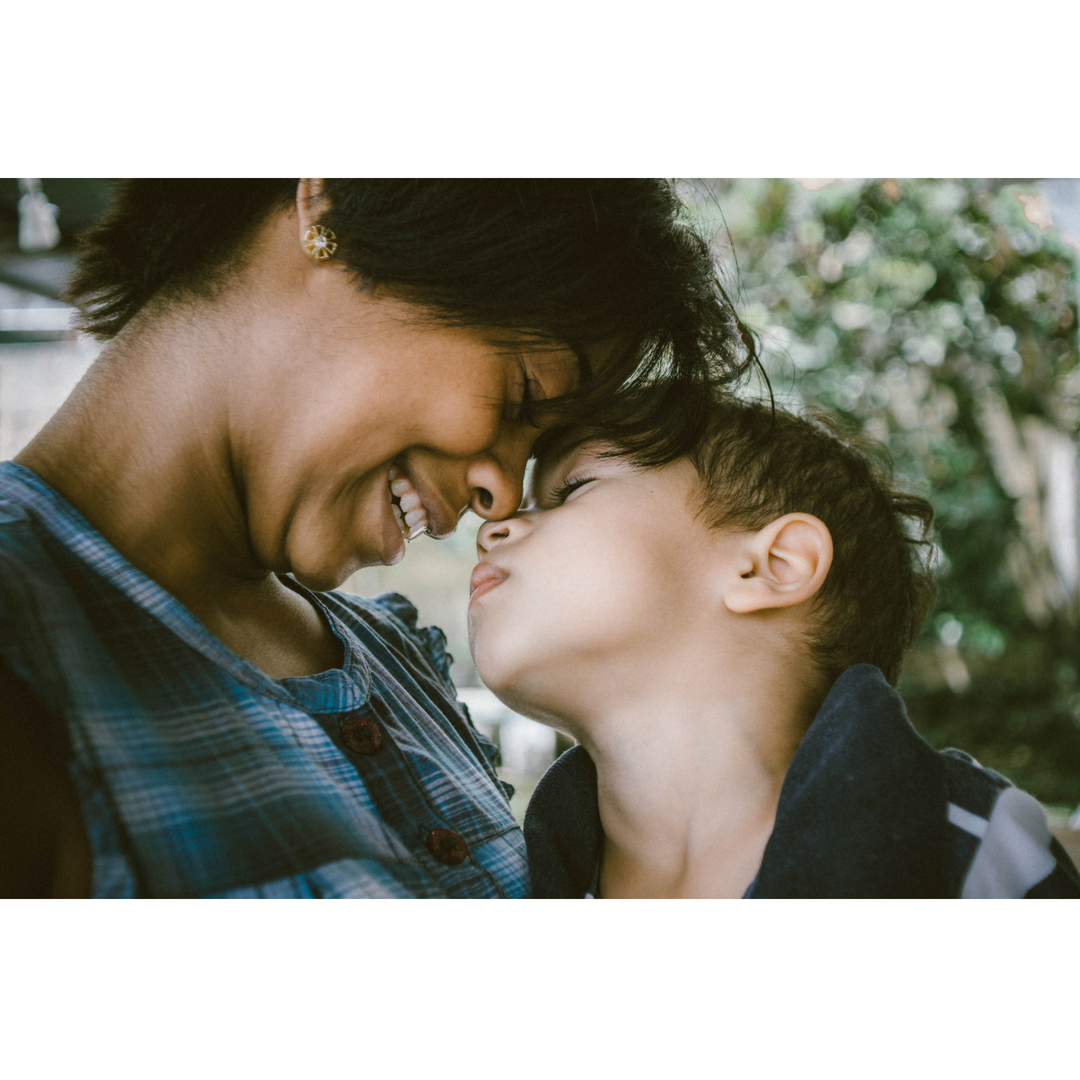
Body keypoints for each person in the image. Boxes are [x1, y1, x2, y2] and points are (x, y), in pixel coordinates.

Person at [0, 179, 754, 898]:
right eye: (522, 391)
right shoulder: (26, 628)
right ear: (332, 210)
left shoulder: (400, 666)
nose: (501, 495)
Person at [468, 390, 1080, 897]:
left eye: (572, 489)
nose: (493, 528)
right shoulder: (493, 884)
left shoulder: (980, 859)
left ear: (772, 566)